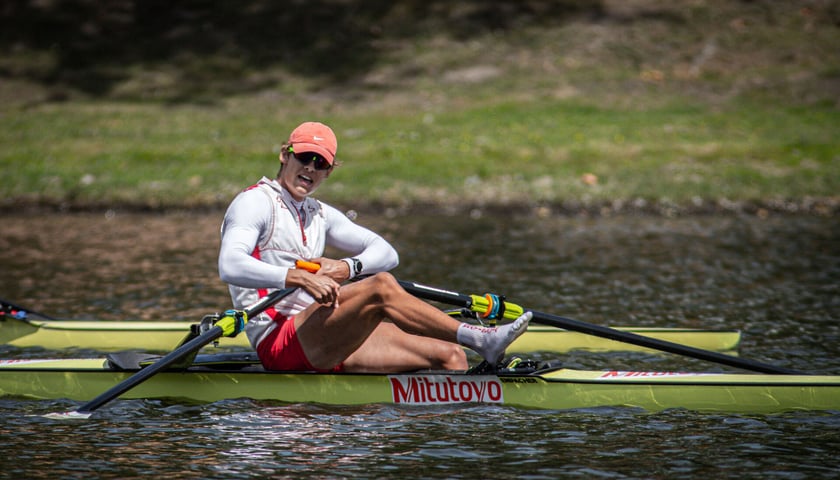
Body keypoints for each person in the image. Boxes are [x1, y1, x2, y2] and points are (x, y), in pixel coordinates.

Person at [218, 121, 531, 373]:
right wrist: (298, 277)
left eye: (321, 162)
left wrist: (346, 267)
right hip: (279, 339)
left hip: (324, 328)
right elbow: (230, 264)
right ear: (284, 155)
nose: (310, 168)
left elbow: (386, 253)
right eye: (304, 157)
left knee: (450, 355)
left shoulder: (319, 213)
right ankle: (482, 338)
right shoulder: (254, 202)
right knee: (380, 286)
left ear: (329, 171)